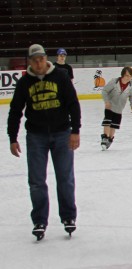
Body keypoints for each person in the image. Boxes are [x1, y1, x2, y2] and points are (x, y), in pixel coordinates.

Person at [7, 44, 81, 241]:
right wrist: (12, 138)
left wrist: (75, 131)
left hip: (62, 134)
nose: (38, 63)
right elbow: (15, 111)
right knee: (37, 181)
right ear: (29, 62)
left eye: (41, 59)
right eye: (34, 60)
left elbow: (73, 103)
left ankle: (68, 217)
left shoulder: (60, 76)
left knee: (65, 178)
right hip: (36, 137)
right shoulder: (24, 83)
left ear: (45, 58)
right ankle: (39, 220)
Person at [101, 66, 132, 150]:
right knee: (107, 122)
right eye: (127, 75)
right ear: (122, 75)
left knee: (114, 125)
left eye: (130, 76)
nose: (129, 77)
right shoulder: (114, 82)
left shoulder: (131, 84)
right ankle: (105, 137)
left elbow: (131, 95)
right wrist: (107, 101)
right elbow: (104, 91)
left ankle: (110, 139)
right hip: (110, 106)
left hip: (119, 108)